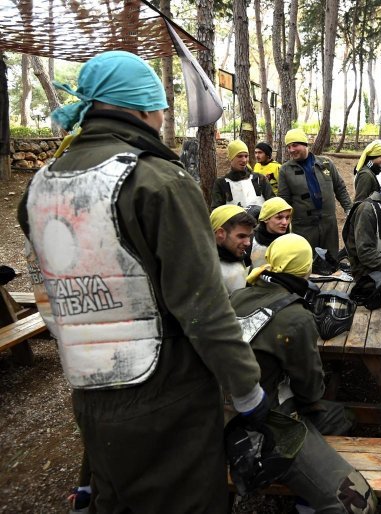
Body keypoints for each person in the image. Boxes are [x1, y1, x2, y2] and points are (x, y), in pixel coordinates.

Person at [18, 50, 272, 513]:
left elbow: (48, 295)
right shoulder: (157, 180)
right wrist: (245, 385)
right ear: (141, 107)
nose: (163, 115)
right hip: (167, 393)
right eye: (160, 105)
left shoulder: (42, 184)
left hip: (89, 389)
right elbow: (202, 305)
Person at [231, 234, 377, 513]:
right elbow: (310, 390)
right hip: (264, 424)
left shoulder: (238, 296)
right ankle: (307, 496)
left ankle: (305, 496)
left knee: (337, 416)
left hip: (221, 409)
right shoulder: (296, 317)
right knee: (359, 503)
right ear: (306, 269)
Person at [278, 128, 353, 259]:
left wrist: (349, 209)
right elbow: (284, 200)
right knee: (306, 262)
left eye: (295, 145)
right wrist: (282, 221)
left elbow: (340, 188)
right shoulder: (285, 170)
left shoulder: (326, 163)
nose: (291, 150)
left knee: (330, 261)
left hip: (328, 224)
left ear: (305, 144)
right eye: (288, 147)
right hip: (303, 227)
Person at [211, 139, 274, 209]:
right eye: (239, 156)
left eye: (246, 156)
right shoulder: (221, 183)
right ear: (231, 158)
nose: (244, 160)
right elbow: (217, 212)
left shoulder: (260, 179)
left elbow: (273, 205)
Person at [211, 205, 257, 294]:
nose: (248, 243)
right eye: (241, 236)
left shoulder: (232, 254)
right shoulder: (209, 271)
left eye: (249, 236)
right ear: (221, 233)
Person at [250, 196, 293, 269]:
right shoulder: (250, 241)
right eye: (279, 218)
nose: (285, 222)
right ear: (266, 218)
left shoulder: (293, 242)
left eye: (287, 217)